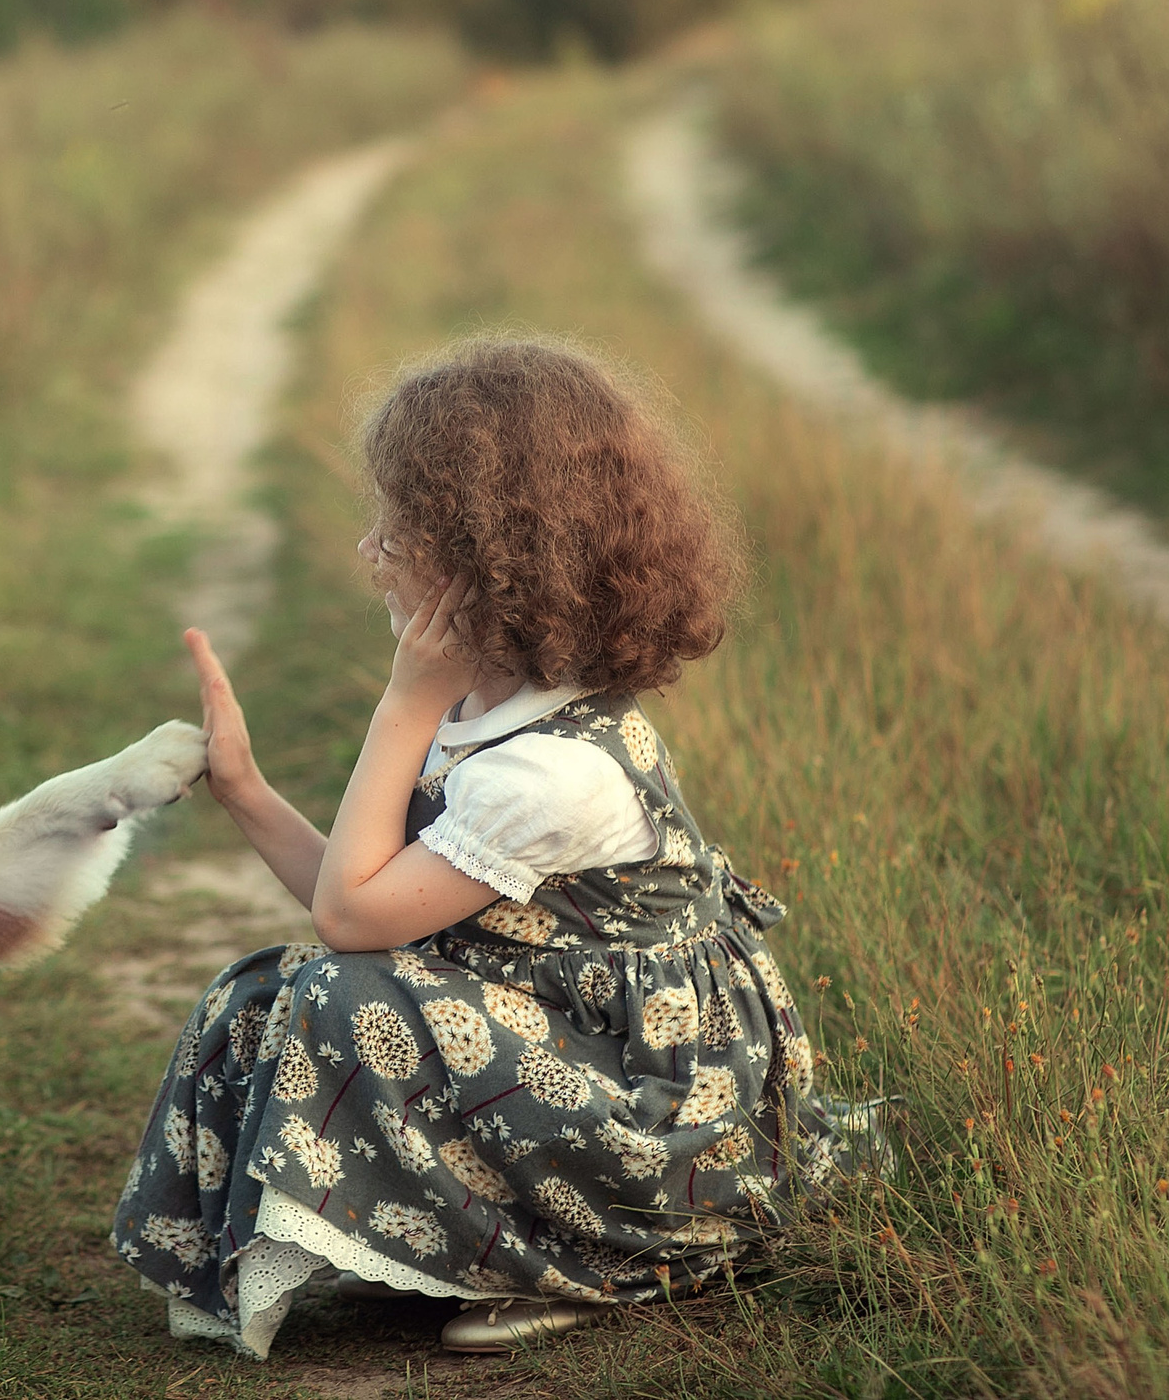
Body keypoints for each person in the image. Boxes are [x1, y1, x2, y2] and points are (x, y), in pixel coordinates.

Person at [110, 337, 880, 1358]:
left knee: (335, 992)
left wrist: (403, 701)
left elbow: (351, 920)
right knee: (262, 994)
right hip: (551, 1047)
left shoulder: (550, 772)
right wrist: (247, 793)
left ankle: (599, 1258)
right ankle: (456, 1242)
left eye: (401, 524)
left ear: (490, 555)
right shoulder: (490, 710)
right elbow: (365, 903)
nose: (368, 547)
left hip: (648, 1111)